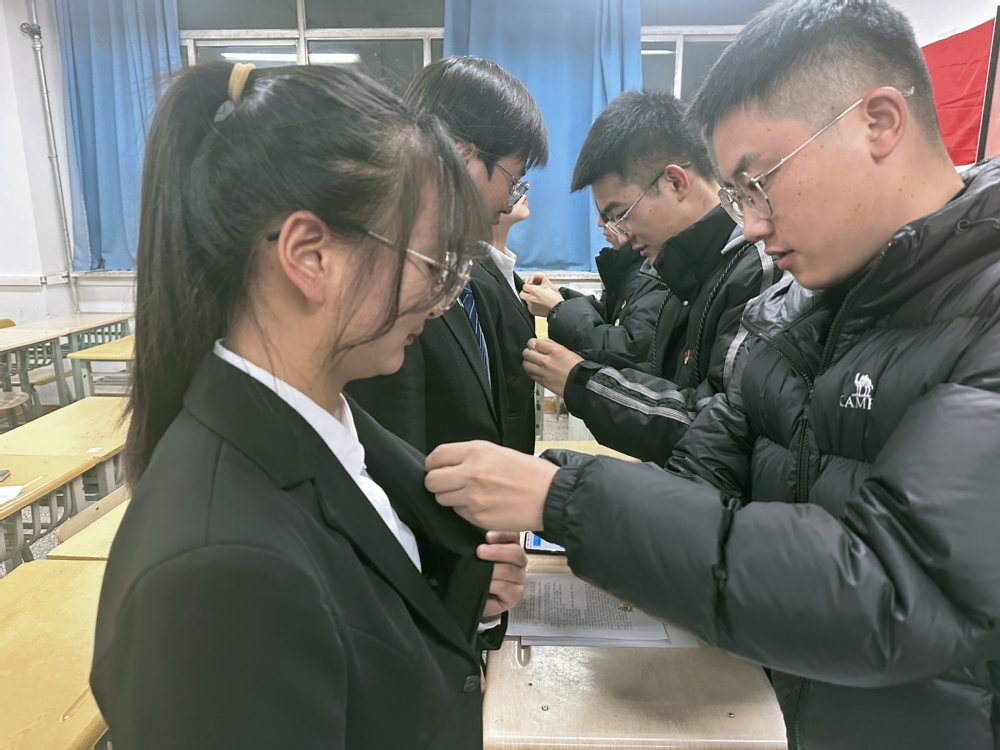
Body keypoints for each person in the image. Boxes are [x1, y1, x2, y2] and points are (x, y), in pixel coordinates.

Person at [424, 0, 1000, 747]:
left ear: (879, 123)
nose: (751, 224)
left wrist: (566, 498)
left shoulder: (982, 309)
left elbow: (891, 587)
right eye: (737, 195)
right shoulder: (793, 308)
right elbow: (705, 470)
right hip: (770, 711)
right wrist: (548, 487)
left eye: (760, 182)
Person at [90, 62, 528, 749]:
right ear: (309, 256)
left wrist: (466, 597)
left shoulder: (333, 427)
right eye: (430, 262)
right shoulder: (217, 578)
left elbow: (359, 641)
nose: (439, 296)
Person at [521, 90, 780, 463]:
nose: (621, 235)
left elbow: (721, 431)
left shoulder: (758, 270)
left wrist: (583, 382)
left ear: (675, 182)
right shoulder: (682, 272)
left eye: (621, 214)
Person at [347, 56, 547, 455]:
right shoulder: (389, 282)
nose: (509, 202)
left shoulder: (469, 268)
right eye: (513, 180)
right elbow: (396, 456)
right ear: (461, 156)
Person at [520, 206, 664, 372]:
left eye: (611, 215)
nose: (600, 222)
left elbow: (629, 349)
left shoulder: (656, 272)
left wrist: (559, 308)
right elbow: (611, 317)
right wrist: (560, 297)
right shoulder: (629, 266)